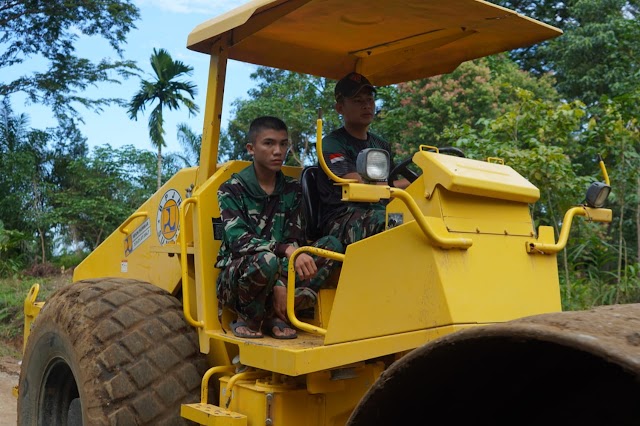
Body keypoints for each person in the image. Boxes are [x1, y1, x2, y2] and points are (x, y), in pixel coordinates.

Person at [215, 116, 343, 339]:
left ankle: (280, 313)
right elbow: (239, 242)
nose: (278, 151)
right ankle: (250, 318)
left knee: (330, 246)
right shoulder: (231, 189)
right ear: (251, 149)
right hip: (240, 279)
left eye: (283, 144)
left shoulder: (292, 189)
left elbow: (294, 237)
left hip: (282, 272)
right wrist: (284, 251)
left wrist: (282, 282)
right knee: (267, 260)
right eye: (269, 143)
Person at [316, 72, 409, 247]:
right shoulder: (331, 143)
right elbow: (355, 182)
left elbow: (392, 186)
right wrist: (405, 185)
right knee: (398, 223)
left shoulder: (380, 144)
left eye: (370, 100)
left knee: (426, 219)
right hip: (342, 219)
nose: (366, 105)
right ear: (340, 108)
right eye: (358, 101)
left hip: (379, 212)